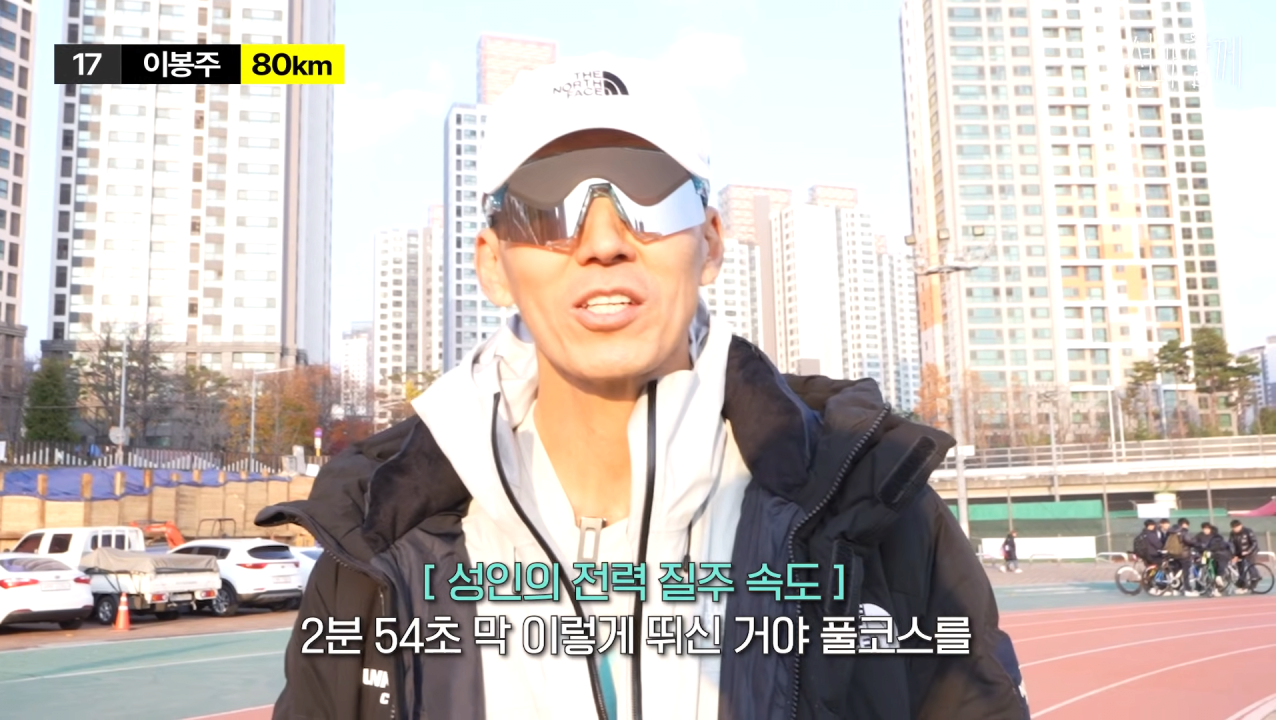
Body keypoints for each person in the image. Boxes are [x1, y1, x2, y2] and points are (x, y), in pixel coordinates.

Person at [255, 54, 1030, 720]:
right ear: (493, 264)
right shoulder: (377, 545)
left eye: (651, 194)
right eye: (546, 205)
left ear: (711, 243)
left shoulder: (870, 505)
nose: (603, 241)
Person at [1196, 523, 1233, 592]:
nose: (1206, 530)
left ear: (1210, 529)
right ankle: (1201, 586)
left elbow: (1208, 548)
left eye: (1207, 529)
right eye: (1204, 529)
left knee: (1208, 567)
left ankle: (1211, 584)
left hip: (1209, 553)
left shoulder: (1214, 537)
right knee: (1202, 567)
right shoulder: (1199, 536)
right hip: (1208, 553)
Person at [1230, 519, 1259, 592]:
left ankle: (1255, 578)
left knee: (1249, 564)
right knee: (1240, 567)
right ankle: (1243, 584)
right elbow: (1231, 544)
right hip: (1240, 553)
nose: (1236, 529)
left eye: (1237, 527)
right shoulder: (1232, 534)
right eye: (1234, 528)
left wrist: (1248, 551)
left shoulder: (1248, 531)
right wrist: (1234, 555)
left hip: (1251, 552)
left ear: (1241, 525)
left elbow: (1254, 543)